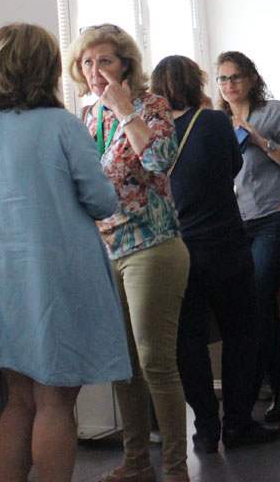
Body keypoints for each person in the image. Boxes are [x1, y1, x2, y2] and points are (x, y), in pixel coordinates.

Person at [0, 23, 131, 482]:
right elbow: (102, 201)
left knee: (19, 401)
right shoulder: (62, 125)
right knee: (55, 401)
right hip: (55, 280)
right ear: (47, 68)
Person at [65, 25, 190, 482]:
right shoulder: (86, 117)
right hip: (106, 251)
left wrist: (123, 111)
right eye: (87, 62)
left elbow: (159, 161)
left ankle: (176, 466)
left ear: (125, 66)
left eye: (105, 61)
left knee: (155, 360)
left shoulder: (150, 106)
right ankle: (137, 462)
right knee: (123, 365)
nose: (95, 71)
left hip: (151, 246)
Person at [150, 55, 279, 452]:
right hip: (224, 242)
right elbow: (233, 165)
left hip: (178, 247)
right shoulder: (213, 122)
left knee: (188, 342)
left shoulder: (151, 132)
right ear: (197, 83)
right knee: (240, 333)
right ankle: (237, 422)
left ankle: (205, 428)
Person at [216, 50, 280, 424]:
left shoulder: (273, 112)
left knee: (258, 296)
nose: (229, 85)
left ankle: (273, 386)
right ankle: (277, 387)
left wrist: (261, 141)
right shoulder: (218, 122)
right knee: (257, 304)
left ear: (252, 79)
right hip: (239, 224)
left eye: (236, 77)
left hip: (276, 217)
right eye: (223, 79)